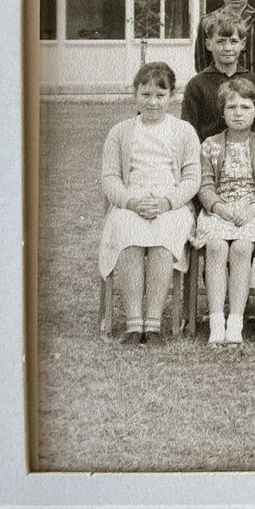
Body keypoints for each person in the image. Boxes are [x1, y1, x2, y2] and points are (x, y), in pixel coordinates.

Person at [99, 62, 200, 346]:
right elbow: (110, 178)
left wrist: (167, 203)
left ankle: (153, 323)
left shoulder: (184, 131)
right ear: (135, 95)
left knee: (163, 238)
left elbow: (192, 179)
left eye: (159, 95)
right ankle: (134, 323)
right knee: (127, 233)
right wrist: (131, 202)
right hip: (131, 202)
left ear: (172, 96)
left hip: (171, 204)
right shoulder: (120, 132)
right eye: (145, 95)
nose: (152, 102)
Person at [193, 77, 255, 346]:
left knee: (241, 248)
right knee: (215, 247)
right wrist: (220, 208)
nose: (238, 113)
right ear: (222, 112)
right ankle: (217, 320)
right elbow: (205, 186)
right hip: (219, 209)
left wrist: (252, 209)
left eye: (245, 107)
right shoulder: (210, 145)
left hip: (251, 211)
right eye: (232, 107)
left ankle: (235, 321)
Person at [182, 12, 255, 142]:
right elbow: (189, 131)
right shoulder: (197, 85)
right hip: (208, 152)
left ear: (243, 44)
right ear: (208, 44)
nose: (227, 48)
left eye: (233, 41)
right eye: (220, 41)